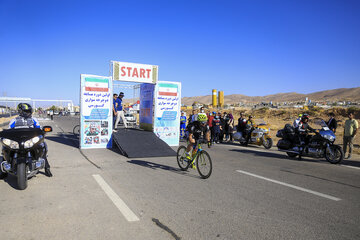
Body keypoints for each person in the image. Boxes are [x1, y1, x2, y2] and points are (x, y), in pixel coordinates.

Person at [8, 103, 52, 177]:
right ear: (20, 111)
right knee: (6, 148)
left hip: (30, 140)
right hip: (18, 141)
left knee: (42, 146)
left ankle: (47, 168)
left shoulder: (33, 119)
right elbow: (9, 130)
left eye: (29, 111)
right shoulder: (14, 120)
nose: (28, 113)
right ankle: (4, 168)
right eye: (26, 111)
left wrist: (43, 131)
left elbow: (38, 128)